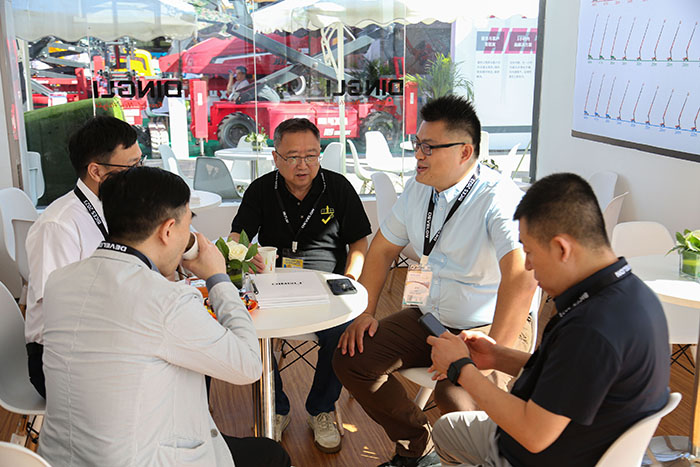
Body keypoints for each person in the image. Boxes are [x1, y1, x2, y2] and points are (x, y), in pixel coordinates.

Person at [332, 95, 537, 467]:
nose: (418, 155)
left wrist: (493, 353)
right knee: (352, 357)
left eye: (429, 147)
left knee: (456, 396)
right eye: (417, 144)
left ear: (464, 152)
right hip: (429, 317)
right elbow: (381, 250)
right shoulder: (418, 189)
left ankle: (486, 460)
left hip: (487, 325)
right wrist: (366, 313)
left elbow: (522, 276)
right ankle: (418, 446)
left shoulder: (498, 198)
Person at [39, 167, 291, 467]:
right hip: (138, 461)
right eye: (188, 224)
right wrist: (218, 278)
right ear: (168, 230)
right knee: (272, 455)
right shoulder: (166, 301)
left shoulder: (59, 282)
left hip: (56, 459)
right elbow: (248, 366)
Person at [428, 173, 670, 467]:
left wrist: (460, 368)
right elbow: (573, 375)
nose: (528, 266)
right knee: (449, 430)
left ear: (561, 248)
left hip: (537, 452)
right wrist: (497, 356)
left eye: (529, 252)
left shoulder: (590, 330)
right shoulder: (632, 294)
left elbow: (533, 435)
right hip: (580, 438)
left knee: (449, 432)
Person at [230, 117, 371, 452]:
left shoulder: (338, 187)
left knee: (343, 332)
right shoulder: (261, 189)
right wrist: (244, 254)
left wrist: (350, 279)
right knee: (249, 330)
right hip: (273, 282)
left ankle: (321, 409)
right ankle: (275, 407)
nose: (303, 165)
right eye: (292, 157)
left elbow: (359, 242)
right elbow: (237, 237)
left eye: (311, 155)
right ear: (276, 157)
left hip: (327, 283)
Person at [24, 115, 143, 399]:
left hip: (104, 337)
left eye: (141, 163)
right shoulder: (58, 225)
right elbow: (58, 312)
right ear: (96, 171)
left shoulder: (117, 205)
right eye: (131, 167)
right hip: (60, 360)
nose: (140, 175)